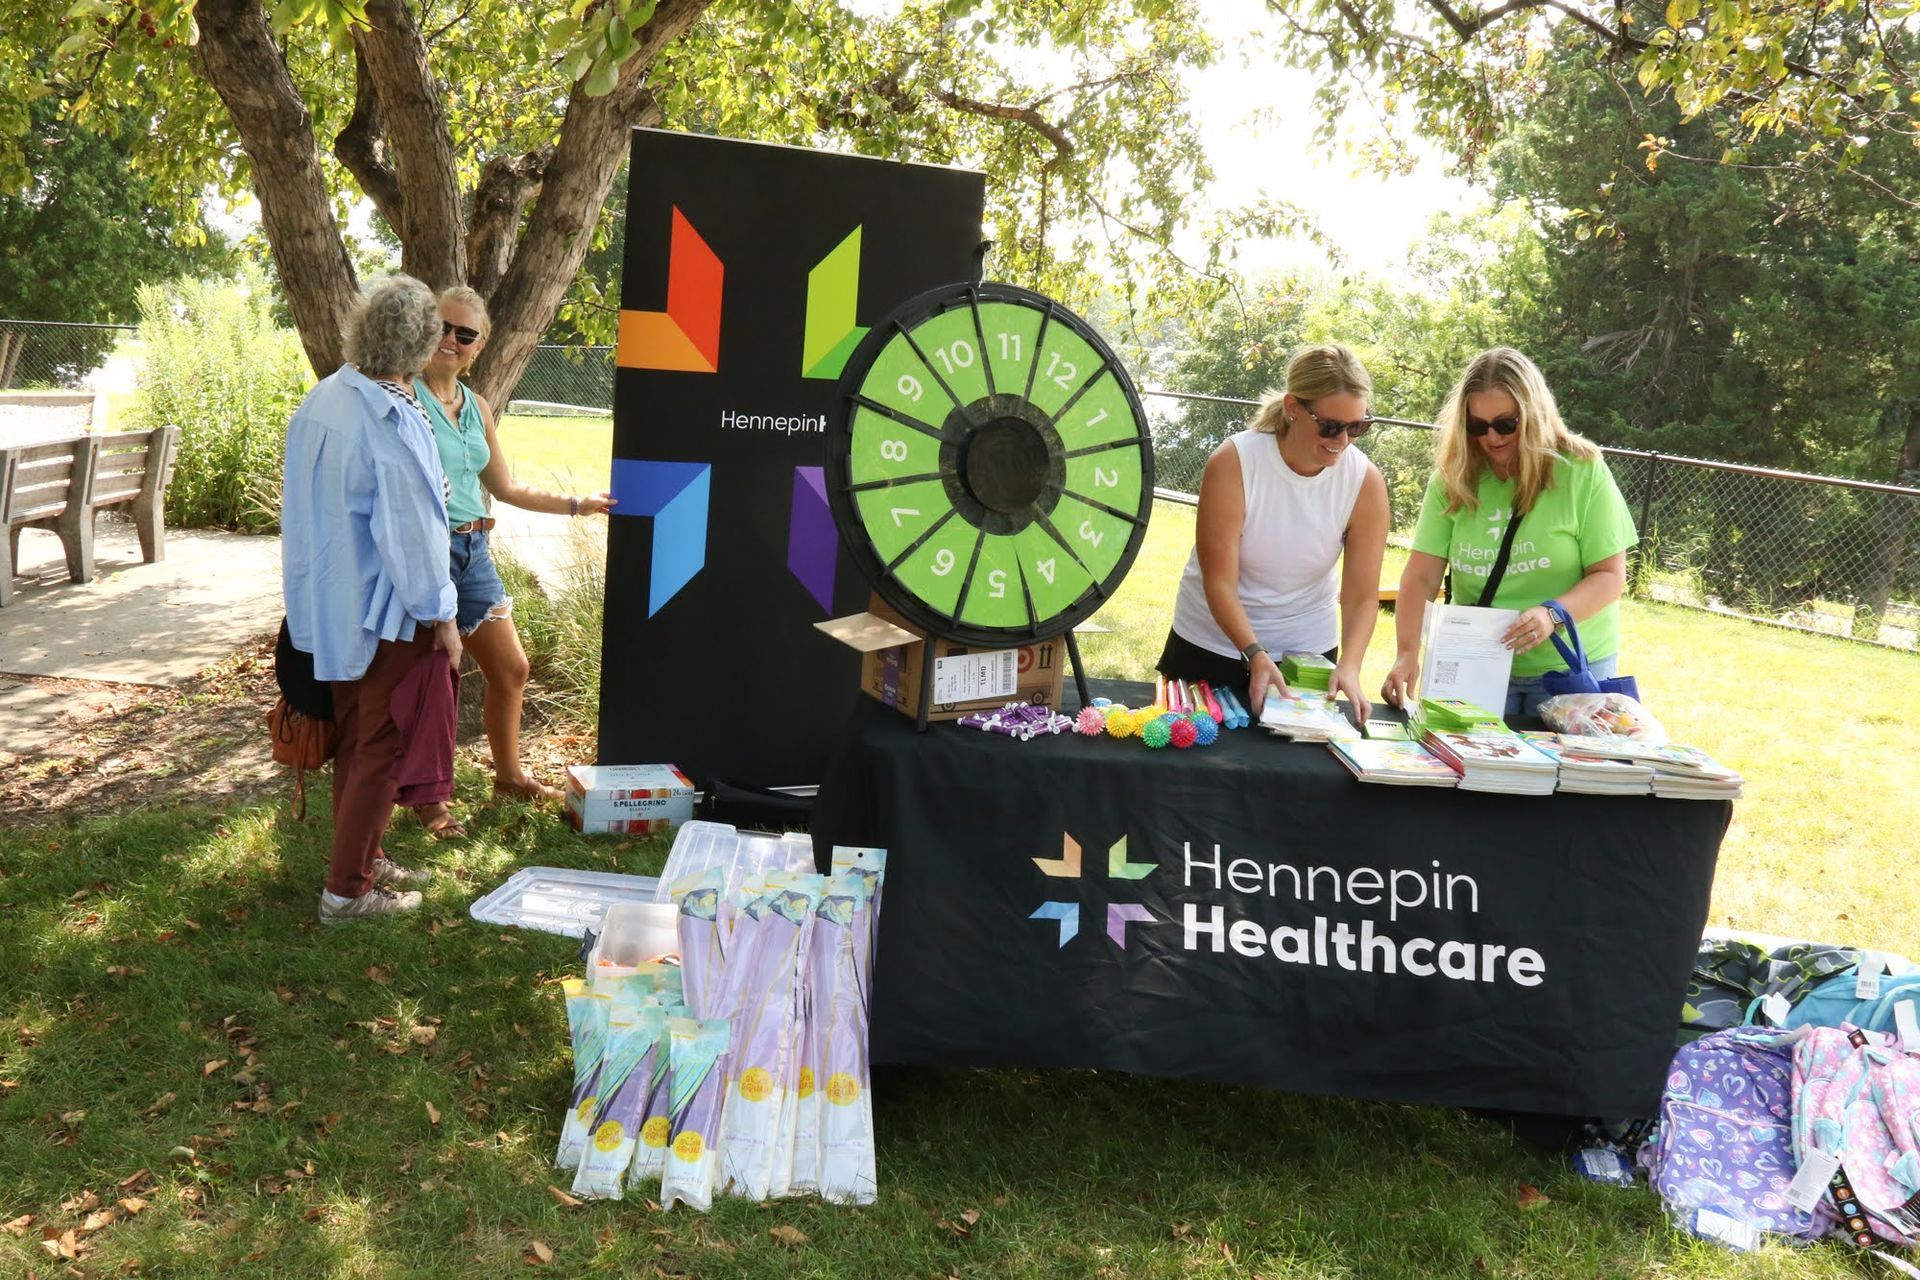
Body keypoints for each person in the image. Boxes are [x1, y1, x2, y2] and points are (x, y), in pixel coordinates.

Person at [282, 275, 459, 923]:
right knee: (380, 745)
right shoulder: (391, 417)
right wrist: (442, 615)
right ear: (424, 344)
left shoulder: (328, 395)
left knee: (360, 741)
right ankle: (347, 891)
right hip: (387, 609)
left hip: (334, 601)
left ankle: (364, 857)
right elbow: (412, 532)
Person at [410, 286, 614, 826]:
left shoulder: (476, 406)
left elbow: (504, 486)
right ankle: (430, 799)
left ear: (479, 346)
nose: (451, 340)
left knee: (512, 668)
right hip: (425, 552)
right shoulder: (405, 395)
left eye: (465, 334)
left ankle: (508, 779)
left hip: (473, 551)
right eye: (442, 327)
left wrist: (578, 504)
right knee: (434, 678)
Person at [1381, 347, 1638, 719]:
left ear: (1534, 416)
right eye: (1477, 425)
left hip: (1567, 671)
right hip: (1475, 664)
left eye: (1506, 424)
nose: (1492, 437)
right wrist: (1407, 652)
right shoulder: (1453, 478)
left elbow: (1610, 577)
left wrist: (1552, 616)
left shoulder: (1581, 470)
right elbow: (1421, 576)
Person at [1158, 343, 1390, 719]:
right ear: (1293, 407)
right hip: (1211, 644)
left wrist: (1350, 665)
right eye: (1331, 427)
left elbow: (1362, 595)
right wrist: (1254, 652)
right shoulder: (1235, 462)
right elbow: (1219, 582)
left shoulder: (1364, 482)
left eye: (1357, 427)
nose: (1343, 441)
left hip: (1306, 653)